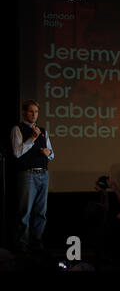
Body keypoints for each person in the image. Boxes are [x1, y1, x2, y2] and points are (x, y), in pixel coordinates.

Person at [11, 99, 54, 253]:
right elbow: (17, 153)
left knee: (41, 213)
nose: (34, 114)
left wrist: (49, 154)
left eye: (36, 112)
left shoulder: (43, 130)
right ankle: (22, 246)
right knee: (25, 213)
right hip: (28, 175)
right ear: (24, 112)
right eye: (31, 111)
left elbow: (52, 154)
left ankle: (37, 244)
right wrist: (32, 139)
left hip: (44, 174)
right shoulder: (18, 129)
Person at [83, 176, 120, 270]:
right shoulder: (111, 227)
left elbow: (104, 210)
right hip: (117, 265)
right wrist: (114, 187)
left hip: (101, 265)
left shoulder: (90, 230)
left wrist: (103, 192)